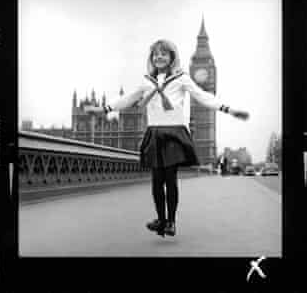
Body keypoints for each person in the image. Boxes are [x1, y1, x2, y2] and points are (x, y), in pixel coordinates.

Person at [93, 38, 248, 237]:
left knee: (170, 179)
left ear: (172, 58)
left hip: (173, 133)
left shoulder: (181, 78)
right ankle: (161, 219)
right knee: (156, 181)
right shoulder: (146, 81)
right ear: (151, 58)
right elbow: (128, 99)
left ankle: (171, 222)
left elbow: (202, 96)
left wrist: (228, 109)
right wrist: (103, 109)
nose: (159, 57)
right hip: (155, 133)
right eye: (155, 54)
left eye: (164, 54)